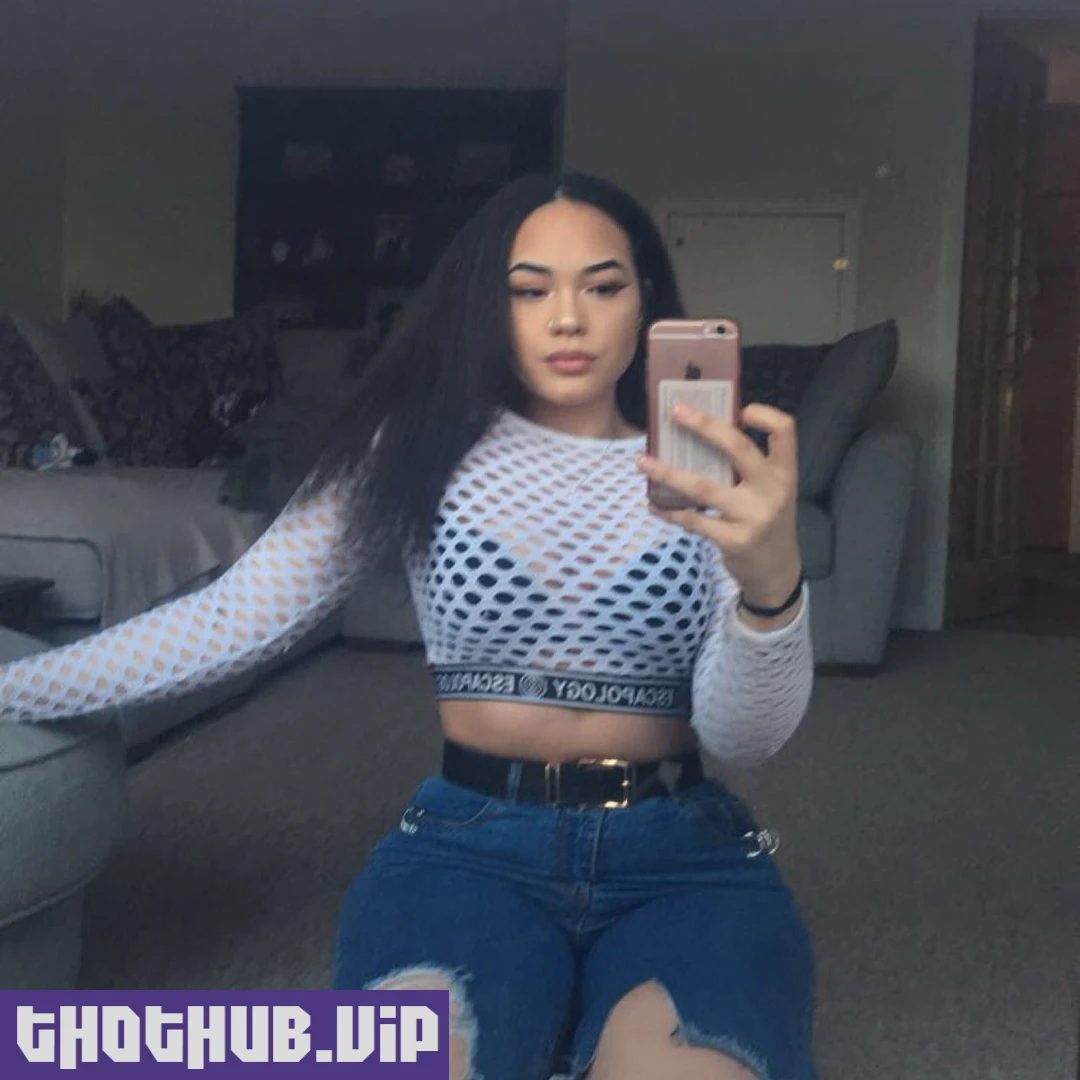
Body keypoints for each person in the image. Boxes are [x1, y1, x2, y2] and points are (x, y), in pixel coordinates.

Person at [0, 173, 817, 1080]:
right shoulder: (415, 445)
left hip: (681, 851)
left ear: (645, 299)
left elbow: (744, 736)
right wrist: (10, 689)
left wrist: (770, 590)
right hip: (471, 846)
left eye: (602, 285)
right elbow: (229, 619)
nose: (568, 319)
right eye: (528, 289)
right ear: (484, 307)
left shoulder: (708, 471)